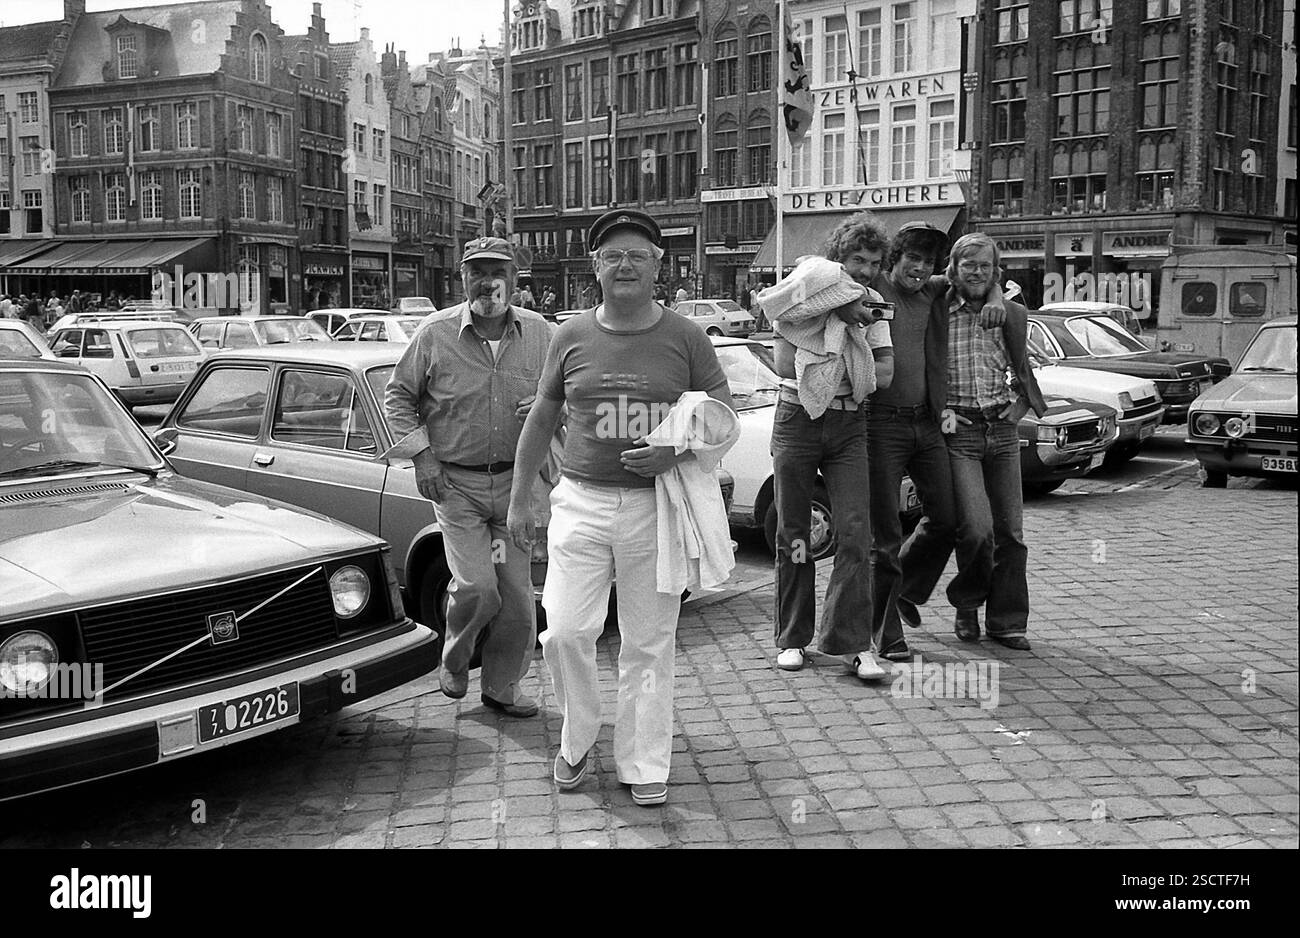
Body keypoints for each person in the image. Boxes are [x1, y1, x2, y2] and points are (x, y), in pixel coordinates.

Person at [506, 209, 732, 807]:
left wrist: (674, 452)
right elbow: (541, 416)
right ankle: (578, 734)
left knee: (648, 642)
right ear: (596, 268)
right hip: (580, 502)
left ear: (659, 265)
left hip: (654, 507)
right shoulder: (571, 334)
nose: (625, 264)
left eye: (638, 254)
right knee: (565, 631)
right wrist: (520, 501)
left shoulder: (687, 336)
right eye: (613, 256)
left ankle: (644, 760)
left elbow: (720, 414)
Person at [385, 236, 553, 717]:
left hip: (518, 485)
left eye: (497, 271)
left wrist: (546, 409)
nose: (487, 281)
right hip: (456, 485)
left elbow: (565, 396)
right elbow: (398, 398)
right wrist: (422, 458)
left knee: (520, 602)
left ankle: (502, 687)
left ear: (515, 280)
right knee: (478, 587)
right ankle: (455, 659)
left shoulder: (542, 333)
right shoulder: (435, 334)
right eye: (476, 271)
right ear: (462, 280)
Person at [866, 222, 1007, 663]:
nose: (920, 268)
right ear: (895, 259)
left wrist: (999, 296)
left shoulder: (933, 290)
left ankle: (907, 590)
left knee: (947, 518)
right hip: (880, 425)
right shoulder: (872, 291)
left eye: (928, 262)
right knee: (884, 534)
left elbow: (978, 275)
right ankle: (884, 632)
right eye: (913, 259)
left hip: (927, 424)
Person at [763, 212, 895, 681]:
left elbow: (883, 375)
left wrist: (823, 357)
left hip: (848, 426)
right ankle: (792, 637)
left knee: (856, 534)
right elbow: (782, 363)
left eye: (873, 262)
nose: (864, 270)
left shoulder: (876, 306)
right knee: (795, 532)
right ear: (837, 259)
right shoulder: (803, 292)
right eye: (856, 259)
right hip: (797, 419)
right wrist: (838, 317)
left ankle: (854, 643)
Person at [939, 233, 1046, 650]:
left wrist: (1021, 405)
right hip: (960, 431)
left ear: (995, 271)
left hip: (1001, 430)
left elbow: (1026, 365)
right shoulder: (938, 311)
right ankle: (966, 605)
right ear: (954, 268)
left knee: (1011, 533)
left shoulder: (1012, 315)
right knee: (977, 530)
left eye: (985, 266)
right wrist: (939, 410)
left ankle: (1007, 622)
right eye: (969, 265)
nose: (977, 272)